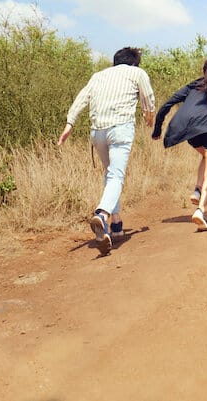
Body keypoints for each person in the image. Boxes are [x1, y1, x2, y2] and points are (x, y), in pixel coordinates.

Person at [58, 46, 155, 256]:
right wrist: (150, 118)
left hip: (98, 132)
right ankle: (102, 215)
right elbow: (147, 99)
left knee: (110, 174)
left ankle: (116, 223)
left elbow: (82, 98)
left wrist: (69, 123)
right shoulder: (137, 73)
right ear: (134, 62)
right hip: (120, 128)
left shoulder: (98, 76)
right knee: (116, 175)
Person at [151, 58, 207, 231]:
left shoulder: (193, 85)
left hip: (189, 131)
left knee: (206, 155)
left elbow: (168, 103)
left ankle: (197, 190)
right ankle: (200, 210)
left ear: (203, 71)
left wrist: (157, 129)